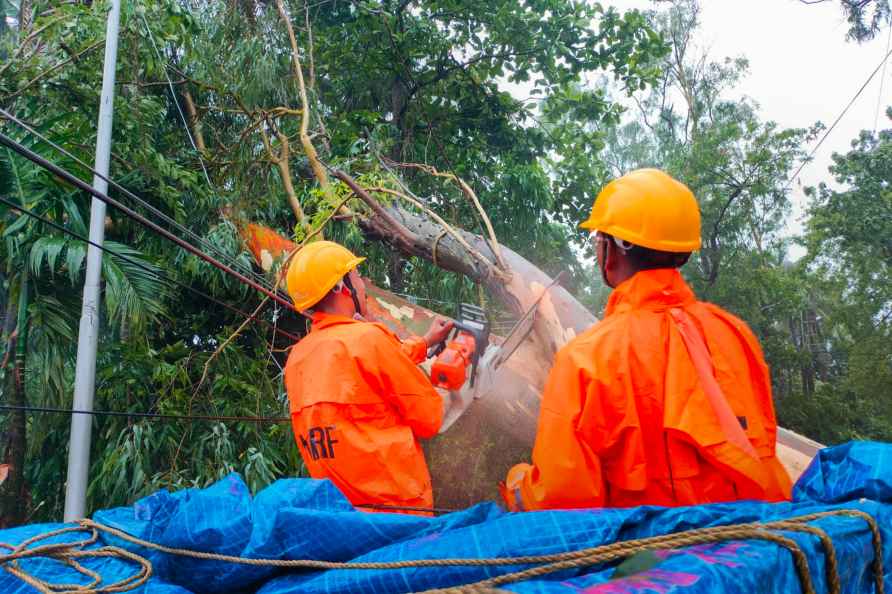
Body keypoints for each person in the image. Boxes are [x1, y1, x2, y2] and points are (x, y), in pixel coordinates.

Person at [502, 169, 792, 511]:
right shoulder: (736, 335)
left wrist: (517, 485)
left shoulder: (586, 359)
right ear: (682, 253)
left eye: (599, 240)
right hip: (750, 550)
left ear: (612, 251)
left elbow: (564, 505)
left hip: (646, 561)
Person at [283, 240, 458, 512]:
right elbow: (430, 418)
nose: (363, 281)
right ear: (342, 287)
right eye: (356, 275)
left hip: (343, 519)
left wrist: (424, 344)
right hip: (400, 513)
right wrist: (449, 381)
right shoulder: (368, 340)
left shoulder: (298, 358)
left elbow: (366, 377)